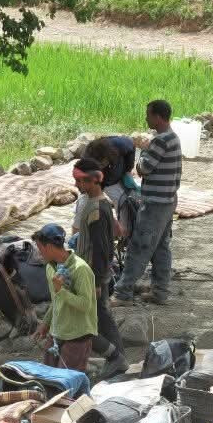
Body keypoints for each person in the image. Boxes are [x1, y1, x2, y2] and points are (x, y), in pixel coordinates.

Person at [110, 100, 181, 307]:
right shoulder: (173, 137)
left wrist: (142, 154)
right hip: (168, 200)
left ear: (158, 117)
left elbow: (144, 169)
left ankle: (122, 293)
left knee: (139, 246)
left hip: (155, 203)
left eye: (148, 115)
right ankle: (160, 291)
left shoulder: (159, 141)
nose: (146, 118)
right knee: (160, 247)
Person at [71, 158, 129, 378]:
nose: (77, 185)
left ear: (92, 181)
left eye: (80, 181)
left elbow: (101, 249)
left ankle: (116, 357)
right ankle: (119, 358)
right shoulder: (99, 203)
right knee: (103, 318)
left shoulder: (96, 208)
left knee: (86, 323)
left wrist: (95, 281)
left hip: (93, 274)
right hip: (93, 273)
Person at [32, 223, 98, 373]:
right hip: (57, 333)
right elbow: (56, 301)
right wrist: (46, 323)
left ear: (48, 246)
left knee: (66, 384)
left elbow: (85, 305)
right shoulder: (50, 267)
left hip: (77, 336)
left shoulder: (81, 269)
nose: (39, 252)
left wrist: (61, 290)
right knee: (48, 378)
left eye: (39, 248)